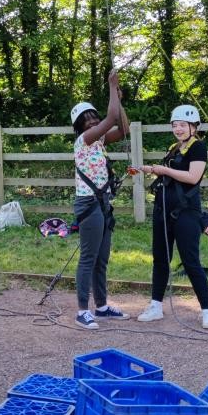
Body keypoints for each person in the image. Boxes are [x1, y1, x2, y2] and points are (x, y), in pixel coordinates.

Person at [138, 104, 208, 329]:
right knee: (160, 258)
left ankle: (207, 310)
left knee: (190, 261)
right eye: (175, 125)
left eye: (183, 125)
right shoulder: (174, 148)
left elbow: (192, 177)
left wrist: (164, 170)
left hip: (186, 212)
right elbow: (169, 177)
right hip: (163, 210)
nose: (178, 129)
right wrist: (152, 170)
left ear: (194, 127)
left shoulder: (198, 147)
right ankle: (156, 306)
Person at [71, 70, 131, 328]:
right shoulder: (84, 140)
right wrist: (111, 87)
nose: (92, 121)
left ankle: (102, 306)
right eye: (86, 120)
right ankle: (82, 310)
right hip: (89, 205)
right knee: (88, 258)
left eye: (94, 117)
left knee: (101, 258)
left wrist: (119, 100)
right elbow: (111, 118)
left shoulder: (100, 142)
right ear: (79, 126)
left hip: (103, 204)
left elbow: (124, 128)